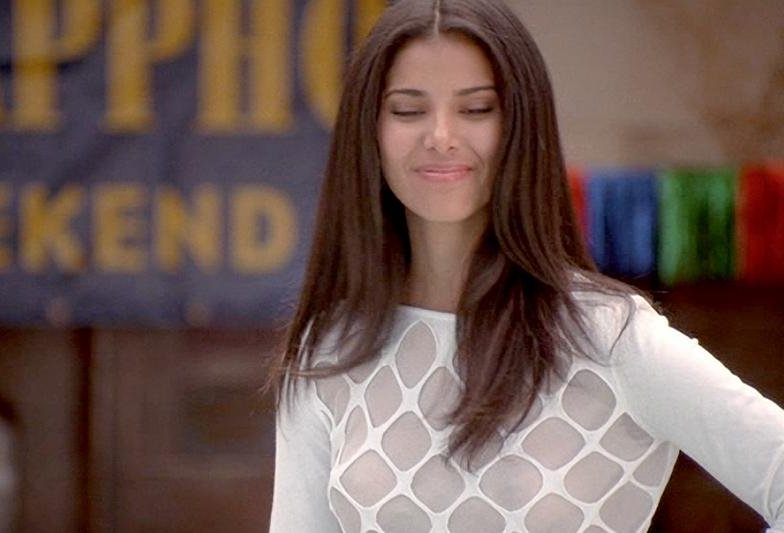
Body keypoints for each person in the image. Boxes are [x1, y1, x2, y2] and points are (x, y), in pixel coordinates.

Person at [265, 0, 784, 532]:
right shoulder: (329, 349)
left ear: (519, 124)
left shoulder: (608, 338)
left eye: (476, 109)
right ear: (368, 132)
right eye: (407, 110)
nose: (440, 135)